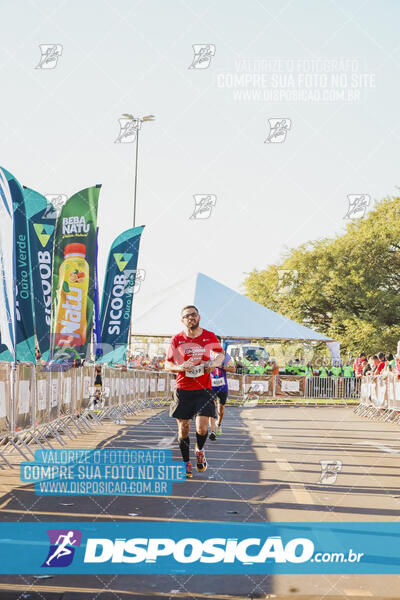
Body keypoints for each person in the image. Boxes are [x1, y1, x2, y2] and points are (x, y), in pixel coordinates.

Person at [165, 305, 224, 479]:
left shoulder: (209, 336)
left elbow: (221, 355)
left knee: (202, 427)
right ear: (182, 320)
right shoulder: (177, 340)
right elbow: (167, 364)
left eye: (193, 315)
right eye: (187, 316)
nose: (190, 318)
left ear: (199, 317)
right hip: (183, 389)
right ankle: (186, 463)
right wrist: (179, 367)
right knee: (183, 428)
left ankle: (199, 450)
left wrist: (212, 364)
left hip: (203, 389)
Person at [208, 337, 235, 440]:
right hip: (211, 386)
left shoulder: (225, 355)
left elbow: (233, 368)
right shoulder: (208, 355)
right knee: (212, 408)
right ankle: (212, 431)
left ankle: (218, 425)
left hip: (223, 387)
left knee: (221, 409)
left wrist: (221, 366)